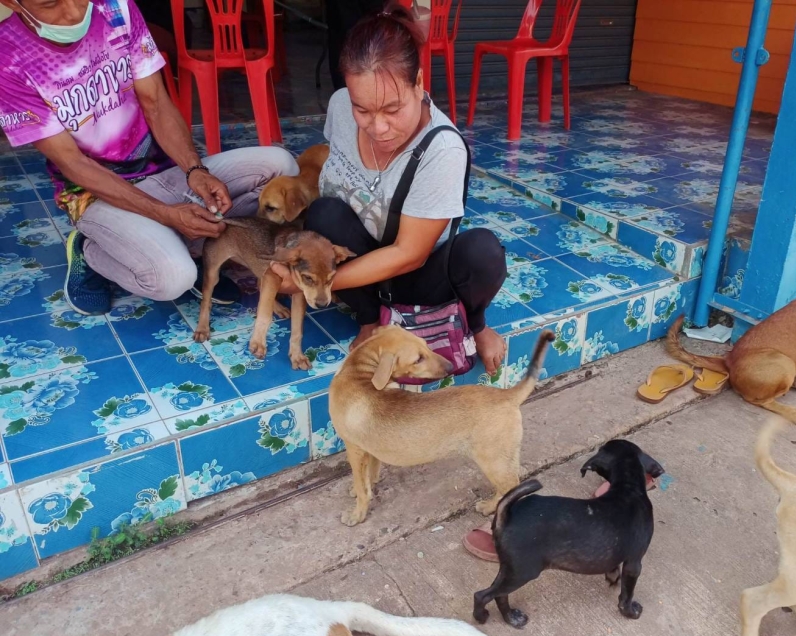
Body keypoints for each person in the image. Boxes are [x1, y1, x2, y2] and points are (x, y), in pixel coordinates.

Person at [0, 0, 298, 315]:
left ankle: (189, 244)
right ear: (10, 3)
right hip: (96, 196)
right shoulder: (8, 56)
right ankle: (88, 249)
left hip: (161, 171)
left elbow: (156, 101)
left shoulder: (116, 9)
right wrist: (166, 214)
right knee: (173, 278)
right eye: (50, 3)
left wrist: (195, 170)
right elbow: (72, 164)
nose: (74, 11)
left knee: (282, 170)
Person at [272, 6, 509, 374]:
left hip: (419, 276)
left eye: (392, 108)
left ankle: (475, 323)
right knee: (324, 214)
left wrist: (311, 285)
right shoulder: (339, 107)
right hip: (361, 258)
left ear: (418, 82)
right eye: (363, 110)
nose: (377, 127)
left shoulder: (442, 149)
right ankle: (369, 318)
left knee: (482, 253)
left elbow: (410, 254)